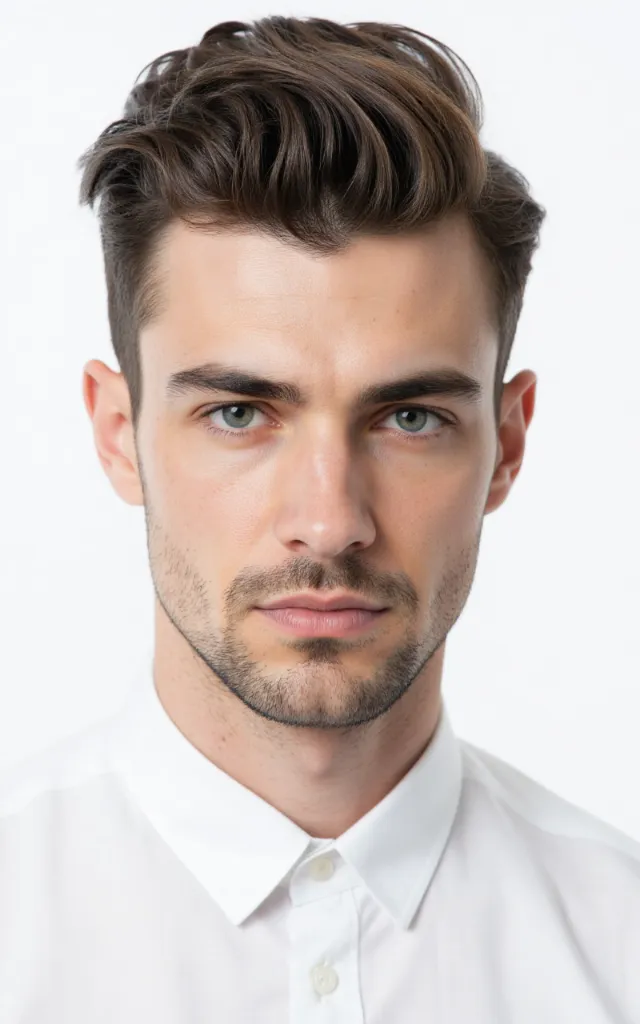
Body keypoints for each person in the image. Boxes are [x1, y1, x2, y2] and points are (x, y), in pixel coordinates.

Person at [1, 15, 638, 1023]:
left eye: (411, 416)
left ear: (506, 444)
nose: (330, 520)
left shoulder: (620, 944)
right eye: (241, 413)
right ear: (119, 433)